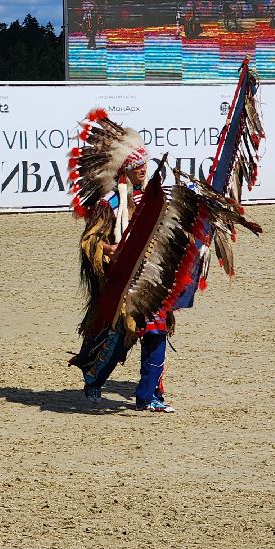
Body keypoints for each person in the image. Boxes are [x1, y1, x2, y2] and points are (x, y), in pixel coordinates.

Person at [69, 112, 175, 413]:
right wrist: (108, 250)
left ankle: (148, 396)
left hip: (152, 279)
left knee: (156, 330)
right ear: (126, 169)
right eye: (136, 165)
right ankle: (94, 377)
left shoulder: (155, 200)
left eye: (144, 164)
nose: (143, 169)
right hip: (121, 283)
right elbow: (88, 241)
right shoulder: (110, 204)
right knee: (118, 338)